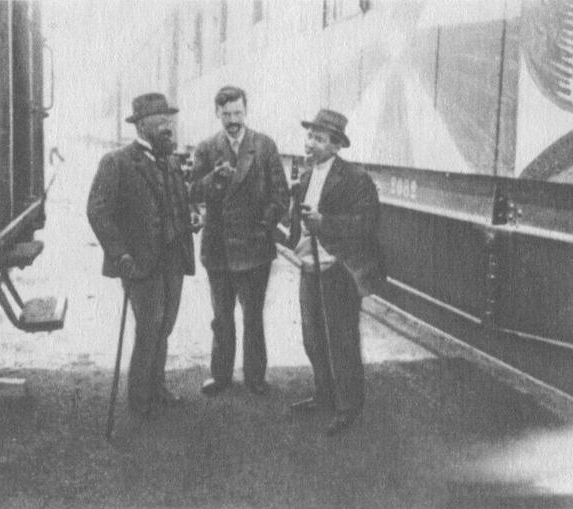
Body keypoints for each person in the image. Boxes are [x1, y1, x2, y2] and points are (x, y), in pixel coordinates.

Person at [87, 93, 196, 417]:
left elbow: (178, 203)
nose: (168, 127)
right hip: (140, 263)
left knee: (165, 327)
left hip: (173, 259)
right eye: (160, 121)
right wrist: (120, 254)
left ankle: (157, 387)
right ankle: (140, 398)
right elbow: (97, 211)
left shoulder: (171, 161)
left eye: (169, 120)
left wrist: (189, 219)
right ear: (142, 126)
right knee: (149, 328)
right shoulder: (117, 162)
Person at [288, 109, 385, 435]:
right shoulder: (305, 177)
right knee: (313, 338)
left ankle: (348, 406)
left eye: (318, 138)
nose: (309, 143)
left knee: (341, 341)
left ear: (335, 145)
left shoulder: (356, 179)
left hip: (339, 271)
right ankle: (324, 395)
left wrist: (325, 223)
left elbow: (367, 224)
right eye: (309, 136)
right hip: (310, 269)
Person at [190, 85, 289, 396]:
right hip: (218, 249)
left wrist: (264, 224)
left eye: (238, 113)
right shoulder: (207, 148)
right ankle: (220, 376)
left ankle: (255, 377)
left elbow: (280, 194)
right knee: (221, 317)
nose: (233, 120)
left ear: (246, 111)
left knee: (253, 316)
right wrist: (213, 179)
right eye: (227, 114)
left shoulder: (264, 146)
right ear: (217, 113)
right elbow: (192, 191)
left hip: (254, 247)